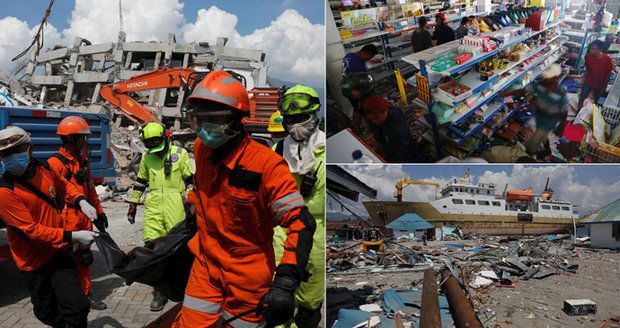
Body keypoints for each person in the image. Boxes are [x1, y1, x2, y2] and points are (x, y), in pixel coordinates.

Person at [172, 71, 316, 327]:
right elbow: (202, 190)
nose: (204, 130)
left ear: (236, 120)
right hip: (205, 263)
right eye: (198, 120)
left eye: (212, 120)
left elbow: (301, 224)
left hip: (247, 272)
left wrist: (285, 282)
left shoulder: (267, 166)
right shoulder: (201, 149)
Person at [0, 126, 99, 327]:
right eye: (5, 153)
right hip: (33, 260)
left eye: (17, 149)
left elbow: (64, 186)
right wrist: (73, 236)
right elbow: (31, 231)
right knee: (46, 312)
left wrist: (81, 201)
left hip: (58, 251)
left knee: (78, 307)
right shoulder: (5, 191)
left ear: (30, 148)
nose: (12, 156)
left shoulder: (44, 168)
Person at [272, 85, 325, 328]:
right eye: (290, 119)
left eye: (301, 118)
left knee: (310, 301)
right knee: (277, 295)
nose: (295, 125)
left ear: (315, 116)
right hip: (281, 233)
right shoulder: (277, 150)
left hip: (316, 237)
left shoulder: (327, 150)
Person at [127, 121, 195, 311]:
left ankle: (181, 286)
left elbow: (190, 180)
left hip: (176, 205)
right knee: (153, 248)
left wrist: (191, 201)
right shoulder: (147, 157)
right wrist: (133, 203)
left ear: (165, 138)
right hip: (154, 205)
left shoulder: (180, 155)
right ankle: (160, 291)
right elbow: (141, 181)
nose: (155, 151)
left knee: (176, 248)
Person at [48, 116, 108, 311]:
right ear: (71, 139)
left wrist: (99, 212)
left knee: (84, 258)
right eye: (82, 138)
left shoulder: (81, 161)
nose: (84, 142)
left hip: (84, 217)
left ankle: (86, 294)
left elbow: (89, 188)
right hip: (67, 218)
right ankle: (68, 298)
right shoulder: (55, 164)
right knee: (67, 261)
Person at [503, 64, 569, 156]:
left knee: (533, 144)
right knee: (542, 136)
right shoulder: (540, 85)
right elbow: (524, 90)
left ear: (556, 78)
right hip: (539, 116)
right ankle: (547, 149)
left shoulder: (561, 93)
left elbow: (565, 111)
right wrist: (507, 93)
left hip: (550, 120)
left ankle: (528, 156)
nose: (545, 79)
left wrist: (561, 126)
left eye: (548, 78)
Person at [363, 95, 419, 162]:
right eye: (371, 119)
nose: (374, 122)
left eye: (376, 118)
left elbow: (402, 154)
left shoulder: (397, 130)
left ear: (385, 111)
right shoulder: (387, 113)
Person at [578, 40, 615, 109]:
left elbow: (608, 74)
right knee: (582, 98)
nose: (591, 51)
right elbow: (587, 70)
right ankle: (578, 113)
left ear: (600, 49)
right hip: (588, 82)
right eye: (591, 49)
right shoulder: (588, 57)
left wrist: (604, 86)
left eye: (594, 49)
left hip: (600, 84)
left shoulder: (607, 59)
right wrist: (582, 81)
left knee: (594, 101)